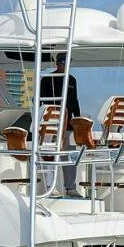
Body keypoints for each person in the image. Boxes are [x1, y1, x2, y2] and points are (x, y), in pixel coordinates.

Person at [38, 55, 83, 196]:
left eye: (67, 61)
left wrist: (78, 120)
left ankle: (70, 188)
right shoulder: (46, 79)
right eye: (62, 61)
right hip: (51, 125)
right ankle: (51, 187)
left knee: (69, 157)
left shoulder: (72, 80)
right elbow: (41, 103)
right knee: (51, 156)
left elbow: (74, 101)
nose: (64, 64)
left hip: (69, 126)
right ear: (57, 63)